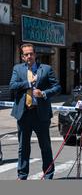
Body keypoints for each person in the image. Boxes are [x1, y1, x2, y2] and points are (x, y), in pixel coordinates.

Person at [9, 43, 61, 180]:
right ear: (22, 57)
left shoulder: (46, 69)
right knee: (23, 148)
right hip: (24, 114)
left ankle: (48, 175)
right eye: (26, 54)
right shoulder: (17, 69)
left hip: (41, 114)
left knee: (45, 146)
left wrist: (43, 93)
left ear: (35, 55)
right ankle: (22, 176)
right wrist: (28, 83)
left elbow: (57, 87)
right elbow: (12, 85)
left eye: (31, 53)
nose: (29, 56)